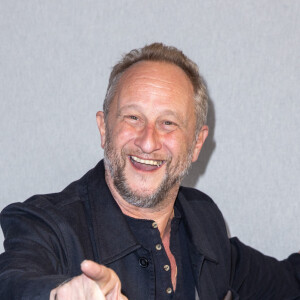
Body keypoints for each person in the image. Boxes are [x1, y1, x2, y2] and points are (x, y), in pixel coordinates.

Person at [0, 43, 299, 300]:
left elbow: (284, 282)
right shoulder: (45, 224)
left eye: (168, 122)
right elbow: (13, 278)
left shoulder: (204, 219)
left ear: (197, 143)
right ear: (104, 129)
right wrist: (59, 292)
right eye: (133, 117)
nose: (147, 141)